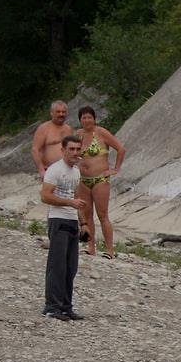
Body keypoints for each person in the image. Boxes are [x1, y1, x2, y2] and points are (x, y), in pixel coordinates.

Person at [39, 135, 88, 321]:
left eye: (78, 149)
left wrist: (83, 223)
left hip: (72, 221)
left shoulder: (76, 172)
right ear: (63, 150)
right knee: (57, 265)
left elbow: (77, 198)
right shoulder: (55, 170)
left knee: (70, 267)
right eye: (71, 149)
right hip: (58, 219)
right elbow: (45, 196)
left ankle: (66, 307)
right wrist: (69, 203)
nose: (75, 152)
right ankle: (52, 307)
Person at [75, 106, 125, 258]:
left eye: (89, 117)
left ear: (94, 118)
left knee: (102, 215)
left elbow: (121, 149)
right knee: (87, 214)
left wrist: (115, 169)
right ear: (80, 120)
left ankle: (110, 250)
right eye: (84, 118)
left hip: (100, 180)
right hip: (83, 180)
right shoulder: (78, 134)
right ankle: (91, 247)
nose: (87, 120)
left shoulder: (101, 132)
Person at [31, 101, 74, 180]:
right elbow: (35, 150)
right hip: (50, 171)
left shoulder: (68, 129)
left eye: (63, 112)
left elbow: (73, 149)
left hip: (67, 170)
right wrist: (41, 170)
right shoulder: (43, 128)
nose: (61, 114)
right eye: (58, 112)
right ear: (51, 113)